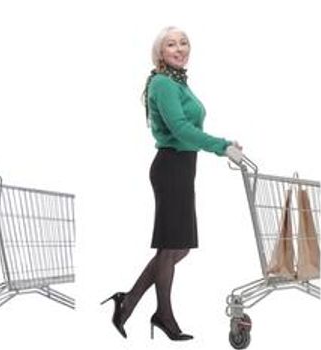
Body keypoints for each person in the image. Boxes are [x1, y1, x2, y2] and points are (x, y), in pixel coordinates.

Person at [101, 26, 240, 342]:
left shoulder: (177, 82)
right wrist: (221, 146)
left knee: (181, 246)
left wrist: (224, 143)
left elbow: (188, 127)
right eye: (171, 45)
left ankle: (129, 300)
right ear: (160, 53)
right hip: (171, 168)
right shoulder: (163, 83)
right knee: (170, 246)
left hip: (183, 168)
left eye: (184, 42)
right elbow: (180, 129)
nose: (180, 48)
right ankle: (163, 314)